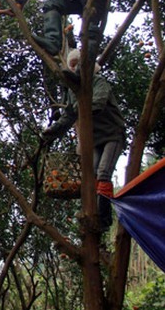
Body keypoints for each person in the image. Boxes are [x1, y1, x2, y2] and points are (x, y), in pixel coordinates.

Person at [41, 48, 126, 234]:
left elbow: (98, 103)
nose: (75, 69)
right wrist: (51, 132)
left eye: (78, 65)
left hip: (112, 135)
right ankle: (92, 214)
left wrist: (84, 110)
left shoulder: (99, 82)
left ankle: (104, 219)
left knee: (103, 172)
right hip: (95, 140)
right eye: (72, 66)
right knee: (92, 174)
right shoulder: (73, 92)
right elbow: (68, 116)